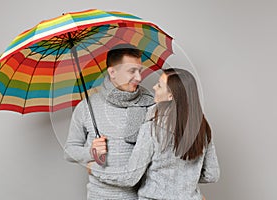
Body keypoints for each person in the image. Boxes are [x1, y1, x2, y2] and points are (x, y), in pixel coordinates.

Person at [88, 68, 220, 200]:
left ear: (171, 96)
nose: (154, 87)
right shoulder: (202, 128)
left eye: (159, 85)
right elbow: (212, 174)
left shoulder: (153, 128)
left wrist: (95, 169)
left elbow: (130, 177)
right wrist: (185, 183)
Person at [64, 44, 155, 199]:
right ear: (112, 72)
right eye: (132, 71)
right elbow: (69, 151)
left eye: (140, 70)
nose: (139, 78)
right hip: (99, 195)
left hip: (142, 196)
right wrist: (91, 152)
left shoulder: (151, 104)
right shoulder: (87, 106)